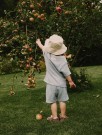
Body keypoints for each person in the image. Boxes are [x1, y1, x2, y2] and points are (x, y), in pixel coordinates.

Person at [36, 34, 76, 122]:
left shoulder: (47, 54)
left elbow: (43, 47)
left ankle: (54, 117)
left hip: (50, 83)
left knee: (52, 101)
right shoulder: (63, 59)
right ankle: (63, 116)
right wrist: (70, 82)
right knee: (62, 100)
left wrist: (38, 42)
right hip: (61, 84)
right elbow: (66, 72)